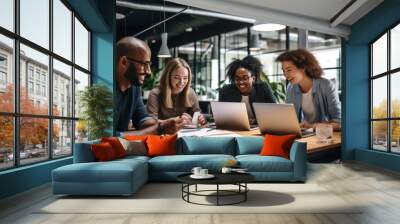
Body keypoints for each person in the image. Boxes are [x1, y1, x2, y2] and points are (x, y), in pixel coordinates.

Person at [115, 36, 184, 135]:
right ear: (124, 62)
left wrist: (171, 123)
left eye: (149, 65)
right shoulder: (104, 90)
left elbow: (142, 120)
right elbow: (110, 136)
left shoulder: (134, 88)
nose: (149, 72)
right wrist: (159, 128)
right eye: (144, 64)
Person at [276, 48, 341, 131]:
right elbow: (290, 121)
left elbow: (339, 122)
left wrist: (312, 126)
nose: (285, 75)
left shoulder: (326, 85)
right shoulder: (291, 88)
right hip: (306, 134)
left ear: (303, 67)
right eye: (284, 71)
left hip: (325, 135)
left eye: (289, 70)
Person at [147, 58, 206, 126]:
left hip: (185, 134)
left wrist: (198, 119)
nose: (181, 82)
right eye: (176, 77)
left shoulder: (190, 93)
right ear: (168, 77)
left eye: (185, 78)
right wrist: (175, 121)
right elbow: (150, 122)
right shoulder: (155, 94)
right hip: (161, 134)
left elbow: (196, 118)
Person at [219, 56, 276, 122]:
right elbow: (217, 116)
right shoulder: (226, 90)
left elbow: (274, 113)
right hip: (234, 129)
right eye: (237, 79)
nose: (241, 82)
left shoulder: (263, 89)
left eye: (245, 78)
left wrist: (255, 121)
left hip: (259, 129)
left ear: (253, 79)